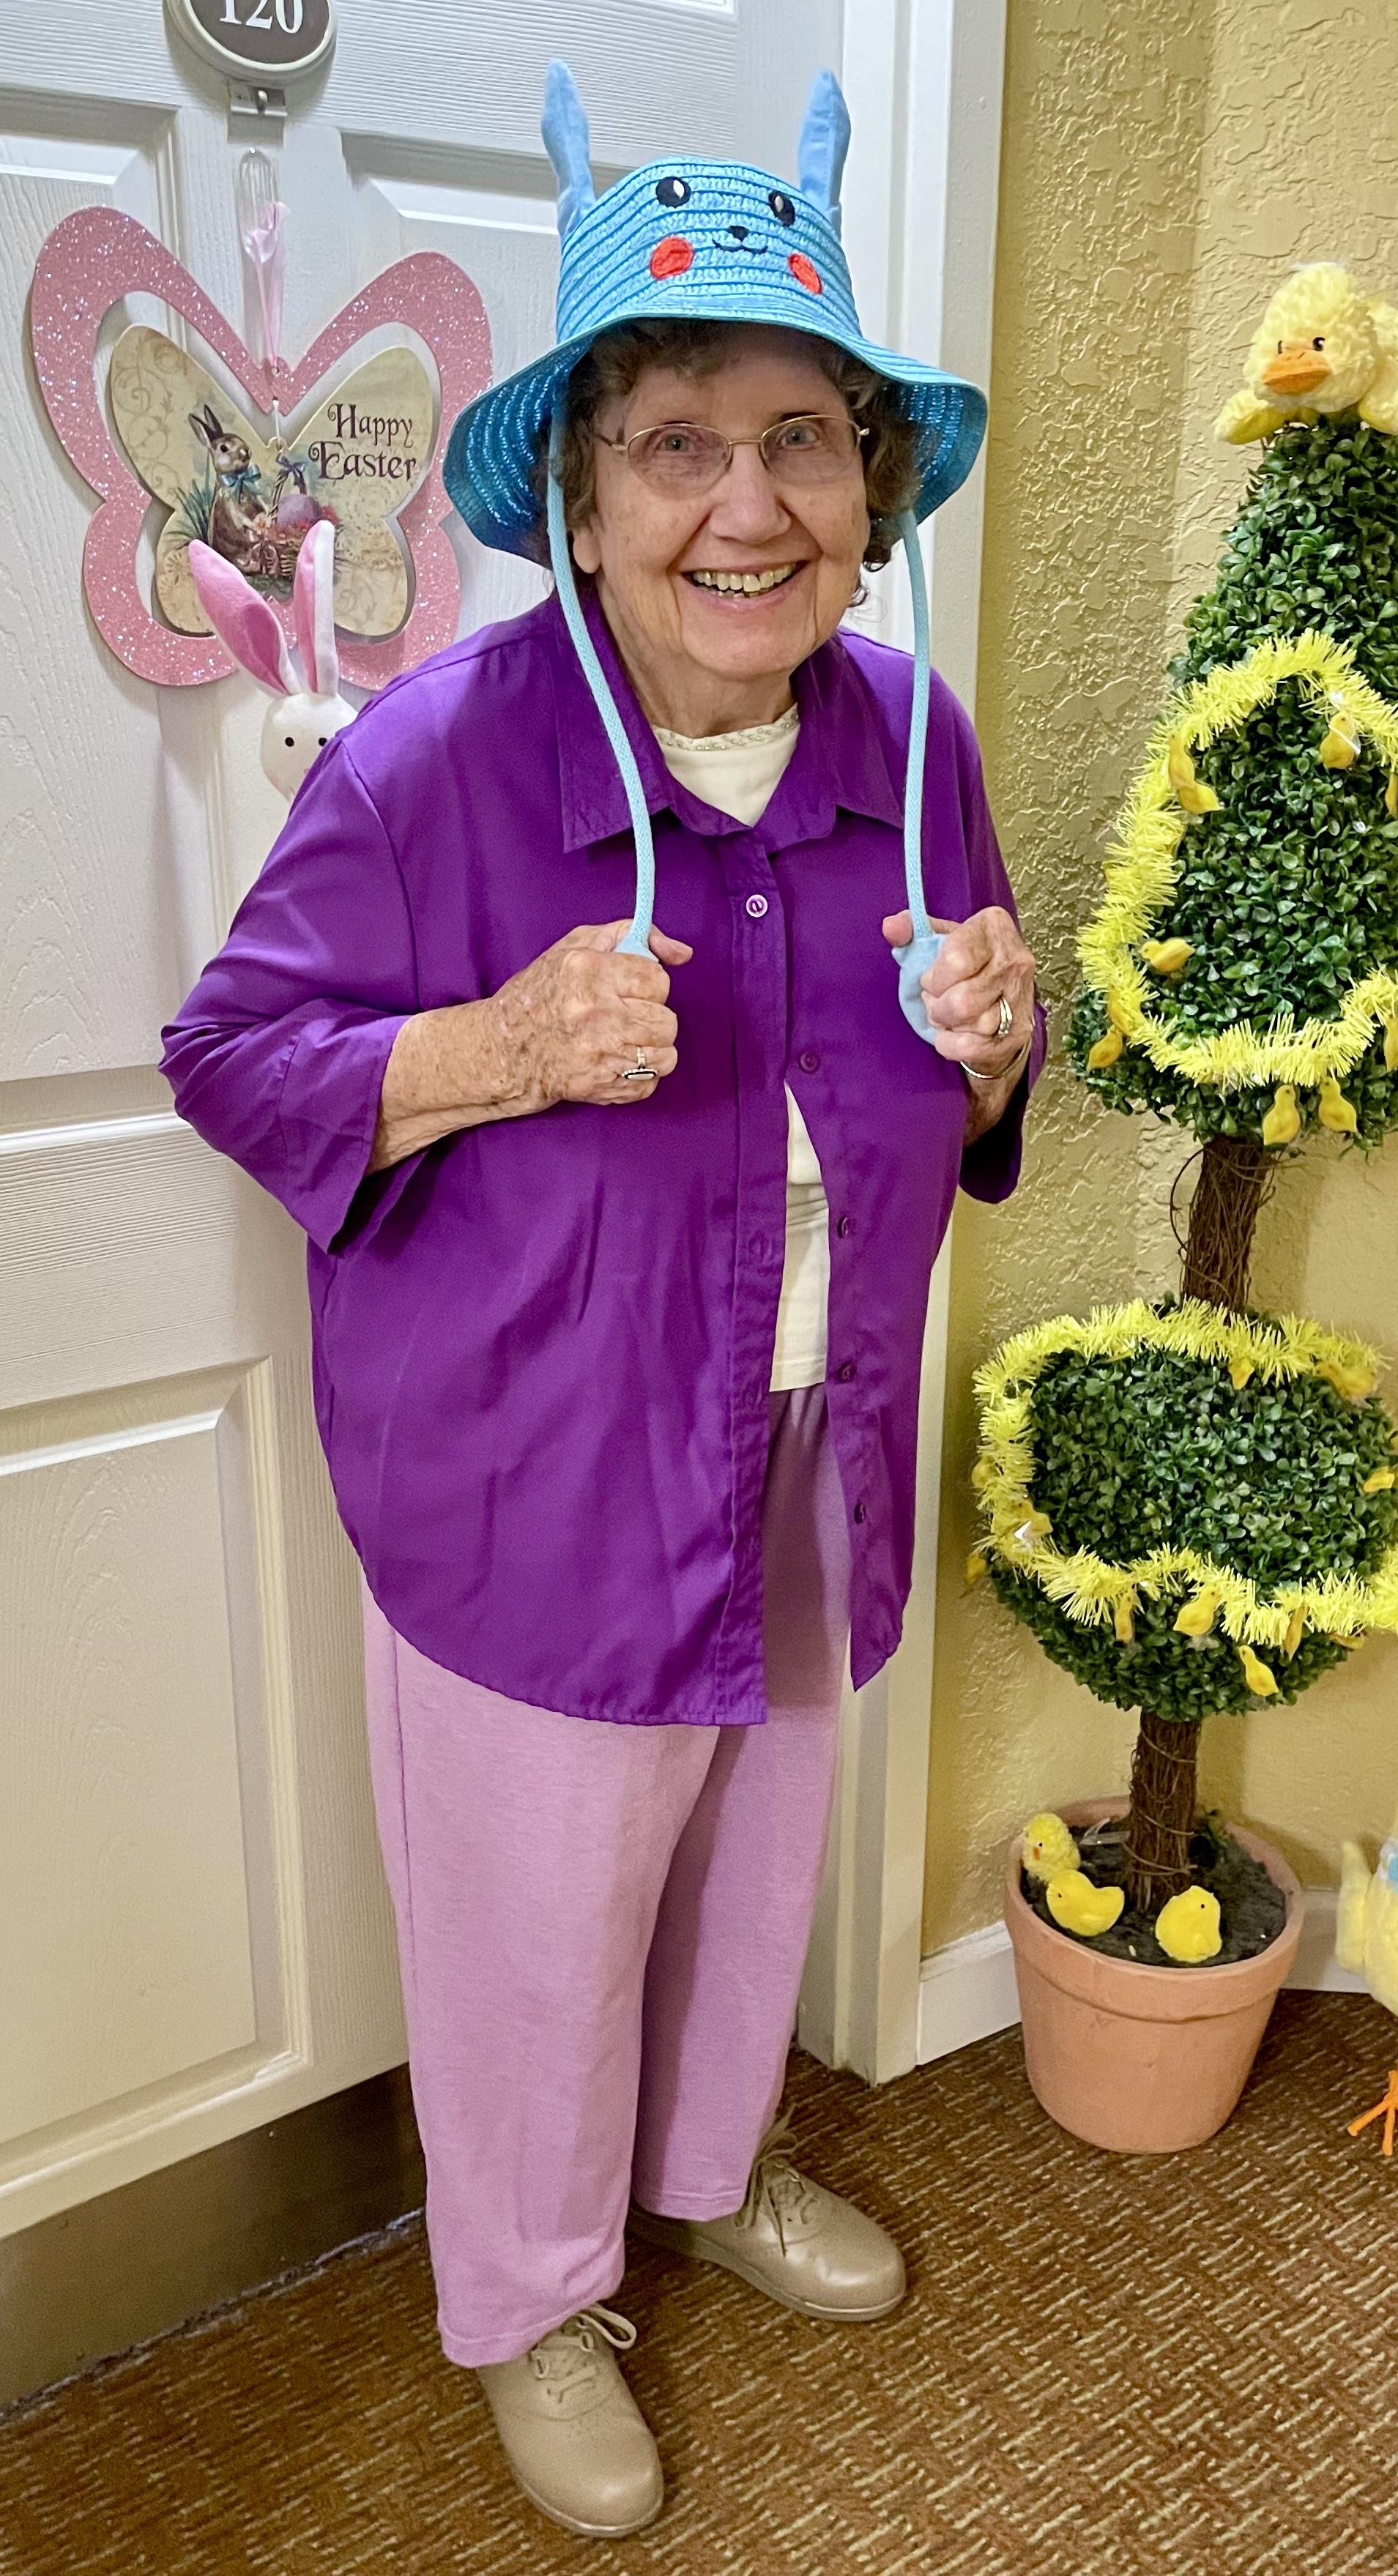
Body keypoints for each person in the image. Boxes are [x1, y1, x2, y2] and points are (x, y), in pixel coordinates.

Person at [160, 62, 1041, 2541]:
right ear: (575, 491)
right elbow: (234, 1055)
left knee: (761, 1843)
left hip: (805, 1437)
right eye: (674, 442)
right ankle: (532, 2300)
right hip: (532, 1473)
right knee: (540, 1925)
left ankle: (709, 2169)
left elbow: (964, 1045)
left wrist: (1008, 1031)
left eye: (801, 437)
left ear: (874, 489)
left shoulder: (910, 728)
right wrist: (488, 1047)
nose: (743, 504)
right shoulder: (436, 761)